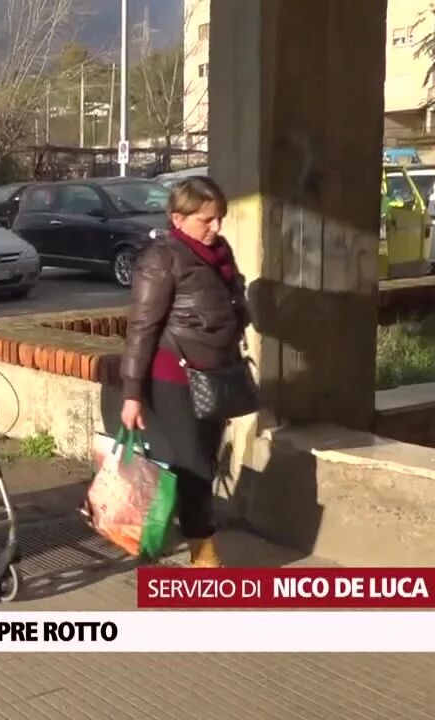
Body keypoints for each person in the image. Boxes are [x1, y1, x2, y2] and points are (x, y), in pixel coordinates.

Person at [117, 176, 250, 568]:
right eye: (206, 220)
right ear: (178, 218)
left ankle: (162, 527)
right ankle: (203, 553)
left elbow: (231, 299)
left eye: (220, 218)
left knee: (202, 460)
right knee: (192, 462)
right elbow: (142, 327)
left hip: (215, 376)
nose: (216, 227)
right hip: (172, 377)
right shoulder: (161, 259)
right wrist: (131, 393)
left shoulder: (220, 252)